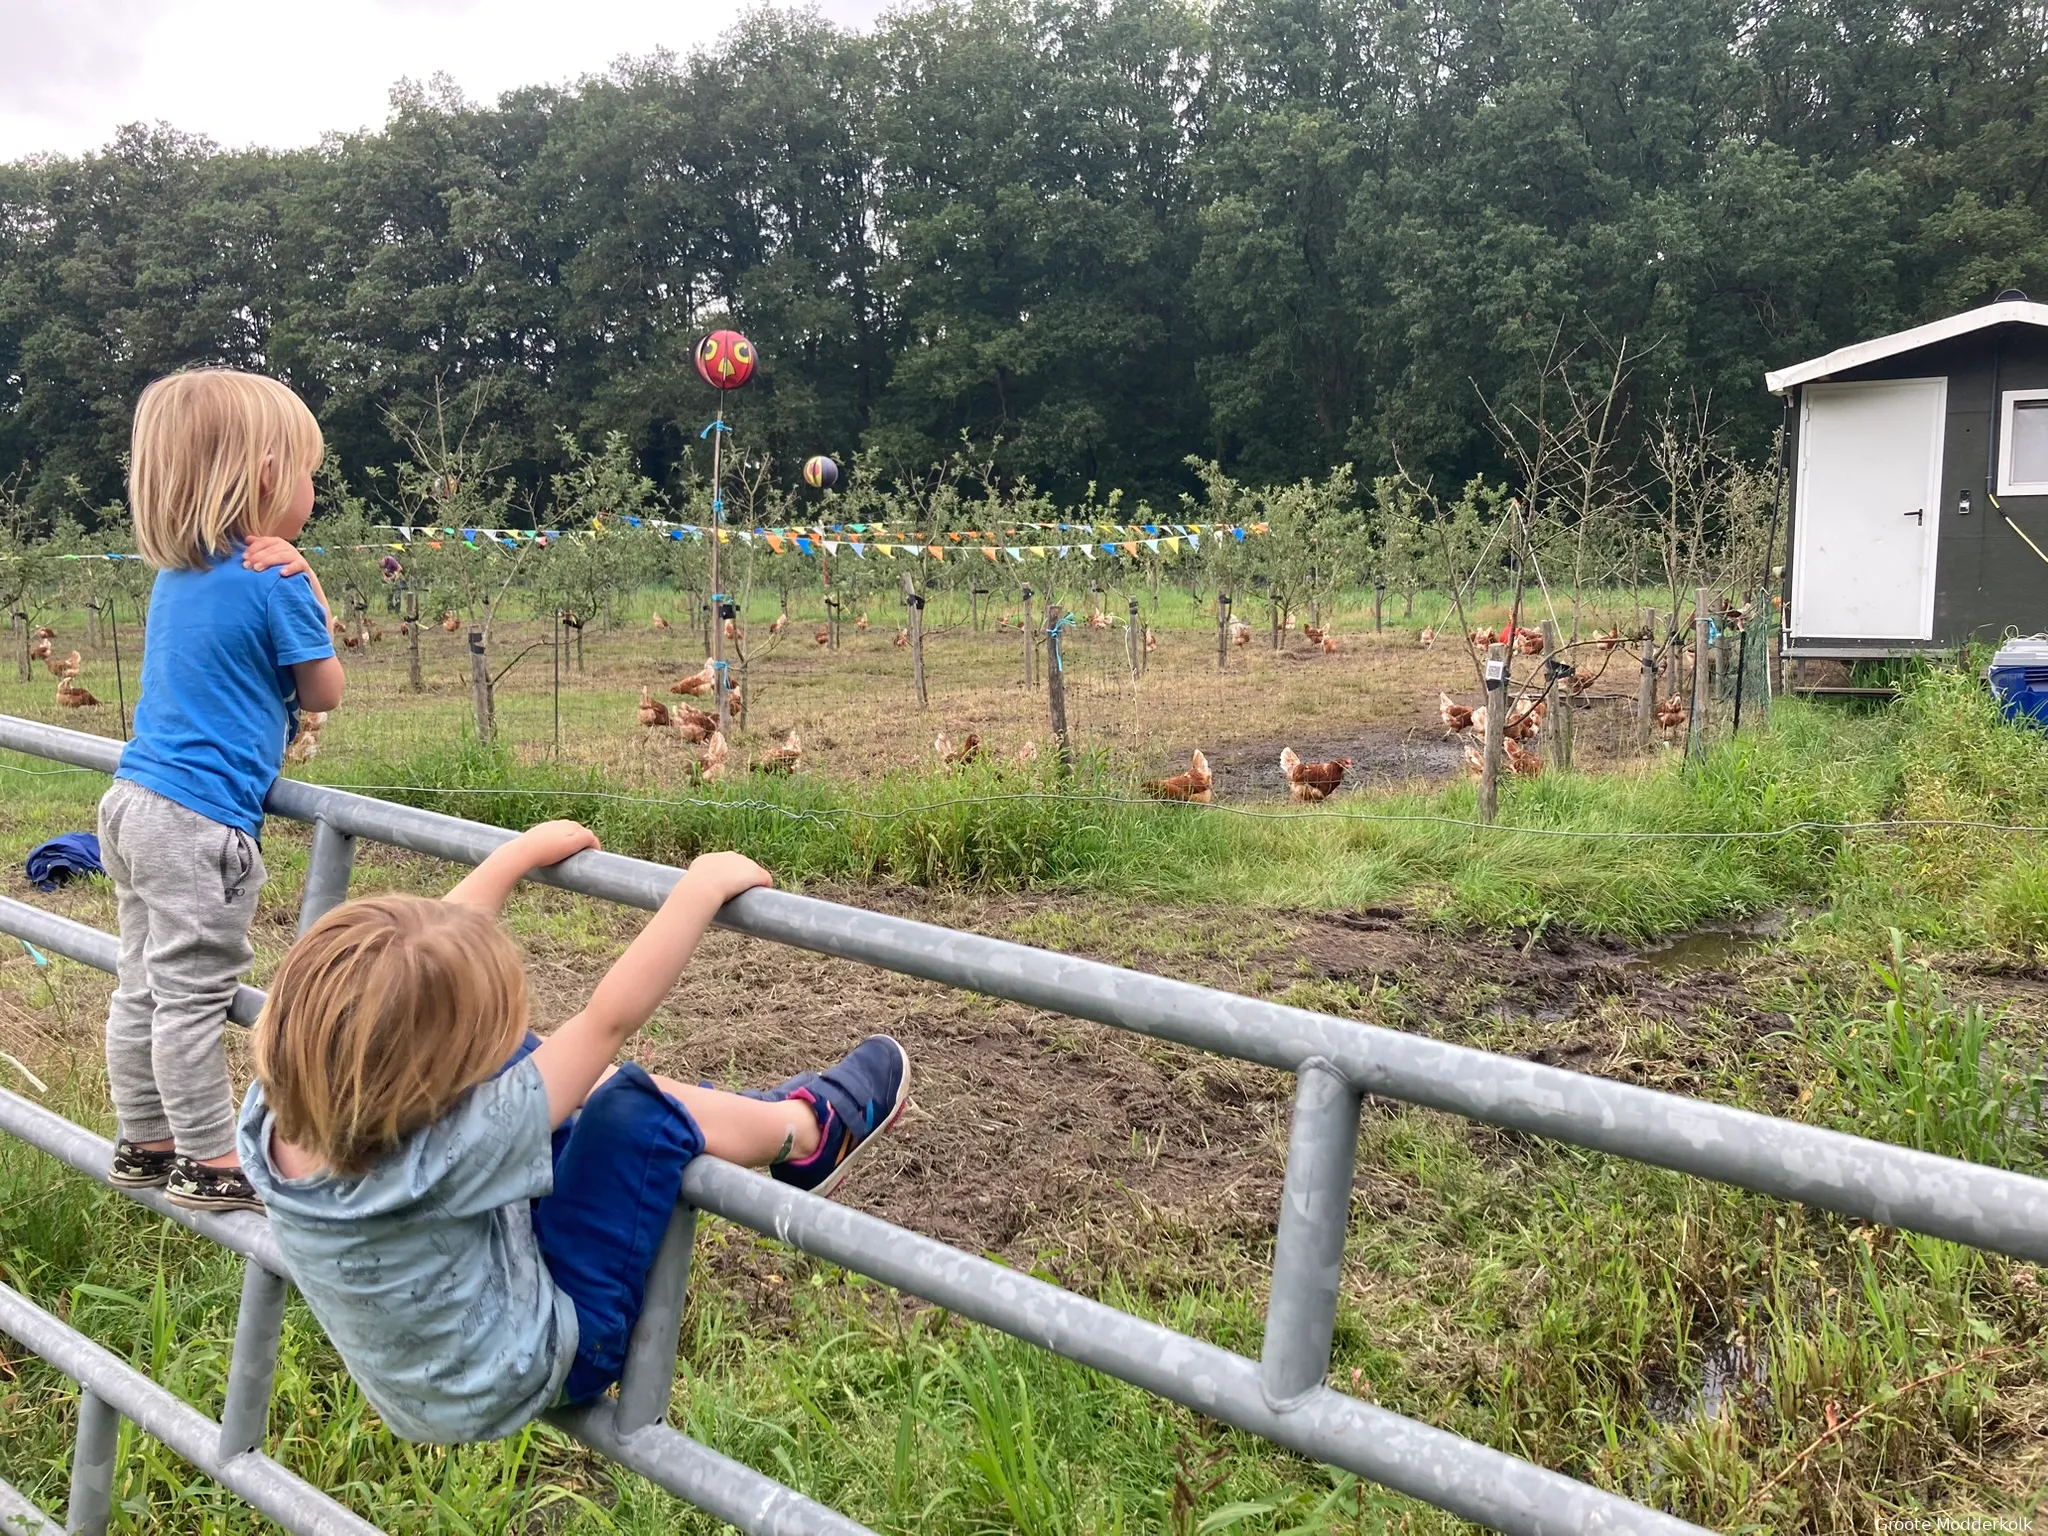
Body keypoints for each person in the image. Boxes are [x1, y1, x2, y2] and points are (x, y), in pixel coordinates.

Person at [236, 824, 910, 1442]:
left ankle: (721, 1114)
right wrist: (698, 889)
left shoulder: (272, 1109)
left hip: (417, 1387)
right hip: (543, 1362)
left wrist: (516, 857)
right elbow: (606, 1021)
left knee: (516, 1064)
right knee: (629, 1110)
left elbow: (402, 982)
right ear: (416, 1086)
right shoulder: (445, 1154)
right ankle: (807, 1131)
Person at [103, 369, 345, 1213]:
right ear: (270, 476)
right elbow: (323, 691)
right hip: (199, 817)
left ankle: (145, 1140)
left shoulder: (178, 577)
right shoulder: (273, 580)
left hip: (132, 803)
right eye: (310, 473)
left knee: (141, 981)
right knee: (195, 995)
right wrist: (311, 584)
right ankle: (211, 1159)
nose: (314, 491)